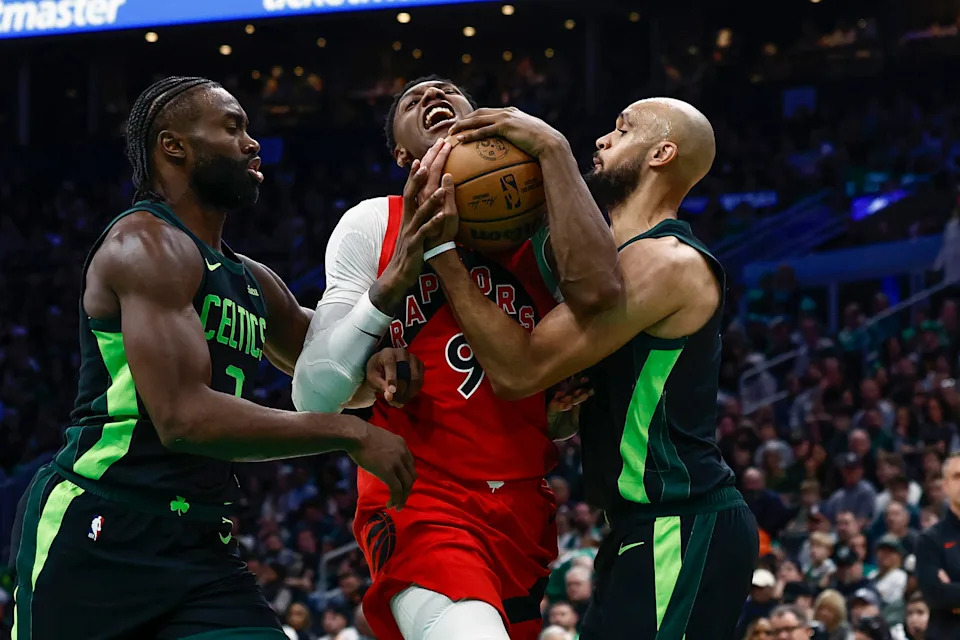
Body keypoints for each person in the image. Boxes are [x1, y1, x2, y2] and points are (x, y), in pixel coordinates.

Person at [7, 76, 419, 639]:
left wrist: (377, 359)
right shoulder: (145, 245)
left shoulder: (251, 280)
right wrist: (349, 433)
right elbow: (184, 418)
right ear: (173, 146)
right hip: (102, 527)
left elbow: (332, 373)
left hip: (200, 541)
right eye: (231, 127)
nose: (252, 142)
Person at [291, 76, 620, 640]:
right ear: (402, 154)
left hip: (521, 504)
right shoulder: (373, 222)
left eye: (447, 91)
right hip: (419, 498)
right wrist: (391, 285)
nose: (432, 97)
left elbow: (601, 297)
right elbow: (311, 395)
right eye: (412, 101)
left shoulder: (545, 220)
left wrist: (553, 149)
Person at [430, 97, 759, 638]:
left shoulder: (667, 259)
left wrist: (439, 250)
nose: (603, 139)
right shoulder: (607, 265)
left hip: (681, 520)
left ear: (661, 154)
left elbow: (519, 370)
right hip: (640, 527)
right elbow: (573, 401)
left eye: (622, 130)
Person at [916, 452, 960, 639]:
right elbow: (935, 595)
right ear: (945, 485)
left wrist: (953, 591)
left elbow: (947, 594)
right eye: (957, 476)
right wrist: (945, 595)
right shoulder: (929, 539)